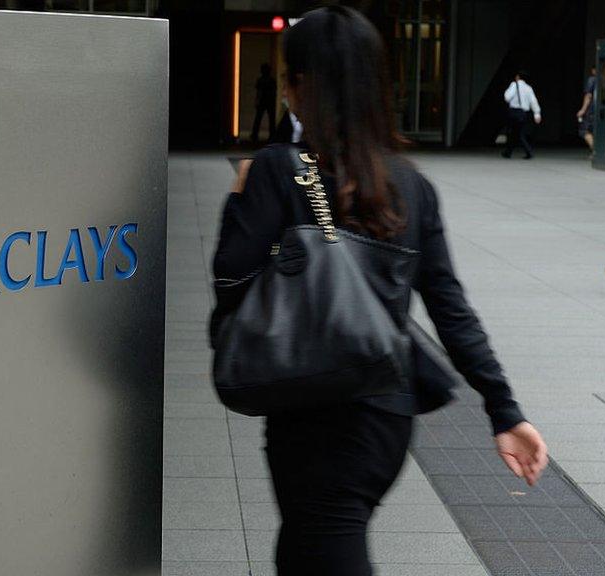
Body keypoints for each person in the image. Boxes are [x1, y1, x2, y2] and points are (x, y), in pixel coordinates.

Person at [211, 7, 548, 575]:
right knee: (304, 549)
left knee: (319, 545)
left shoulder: (273, 171)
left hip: (313, 412)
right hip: (383, 415)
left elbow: (232, 287)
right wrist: (504, 410)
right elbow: (450, 308)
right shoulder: (412, 184)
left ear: (296, 86)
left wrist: (245, 209)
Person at [502, 70, 542, 159]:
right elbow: (533, 101)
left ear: (517, 77)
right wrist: (537, 114)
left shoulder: (514, 85)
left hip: (513, 112)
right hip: (523, 113)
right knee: (517, 133)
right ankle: (508, 152)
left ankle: (528, 151)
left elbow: (507, 97)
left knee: (515, 133)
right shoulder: (528, 88)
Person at [250, 63, 278, 144]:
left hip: (263, 101)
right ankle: (272, 135)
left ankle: (254, 134)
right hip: (270, 101)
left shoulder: (261, 80)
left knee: (258, 118)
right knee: (270, 119)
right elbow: (274, 92)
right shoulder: (271, 80)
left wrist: (257, 100)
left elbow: (259, 92)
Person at [576, 66, 597, 156]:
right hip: (599, 110)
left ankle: (595, 150)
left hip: (591, 110)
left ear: (593, 70)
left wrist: (583, 110)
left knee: (584, 130)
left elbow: (588, 96)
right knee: (594, 130)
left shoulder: (592, 80)